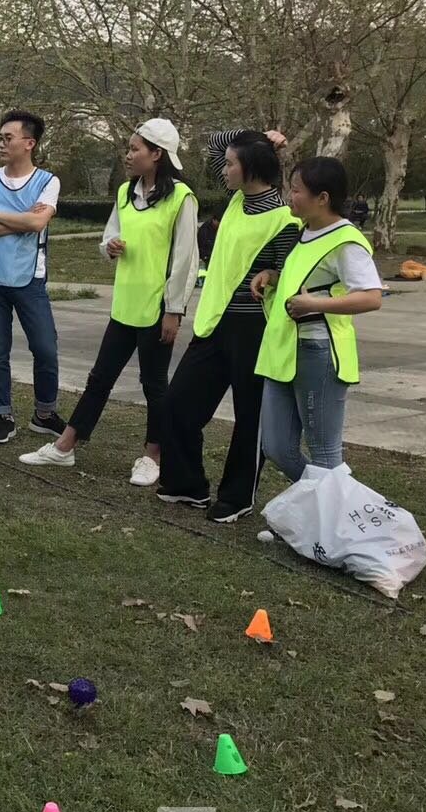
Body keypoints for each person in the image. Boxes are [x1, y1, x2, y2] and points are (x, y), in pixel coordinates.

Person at [19, 119, 198, 483]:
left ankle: (152, 455)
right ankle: (65, 447)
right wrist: (109, 247)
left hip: (157, 308)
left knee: (154, 384)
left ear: (157, 154)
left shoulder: (182, 198)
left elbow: (185, 259)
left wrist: (174, 310)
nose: (128, 155)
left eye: (135, 149)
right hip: (125, 305)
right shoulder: (125, 192)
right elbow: (109, 237)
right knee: (100, 378)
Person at [157, 128, 300, 523]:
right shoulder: (237, 200)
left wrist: (272, 273)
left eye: (232, 164)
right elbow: (216, 142)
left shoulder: (284, 219)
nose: (224, 168)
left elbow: (290, 272)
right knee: (177, 403)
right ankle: (187, 484)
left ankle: (237, 497)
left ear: (250, 168)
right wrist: (260, 136)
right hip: (214, 322)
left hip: (255, 329)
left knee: (249, 416)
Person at [255, 157, 383, 480]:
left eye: (296, 190)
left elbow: (371, 297)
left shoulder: (345, 240)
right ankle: (322, 501)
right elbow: (305, 279)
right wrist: (273, 277)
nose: (289, 196)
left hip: (318, 353)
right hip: (282, 352)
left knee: (324, 454)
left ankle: (333, 508)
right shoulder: (304, 232)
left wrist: (316, 304)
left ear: (322, 198)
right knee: (277, 448)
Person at [0, 110, 63, 444]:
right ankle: (2, 415)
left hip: (29, 278)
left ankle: (44, 414)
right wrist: (20, 220)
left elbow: (37, 223)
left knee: (45, 349)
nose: (1, 144)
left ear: (29, 143)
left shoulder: (47, 181)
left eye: (8, 138)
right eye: (0, 138)